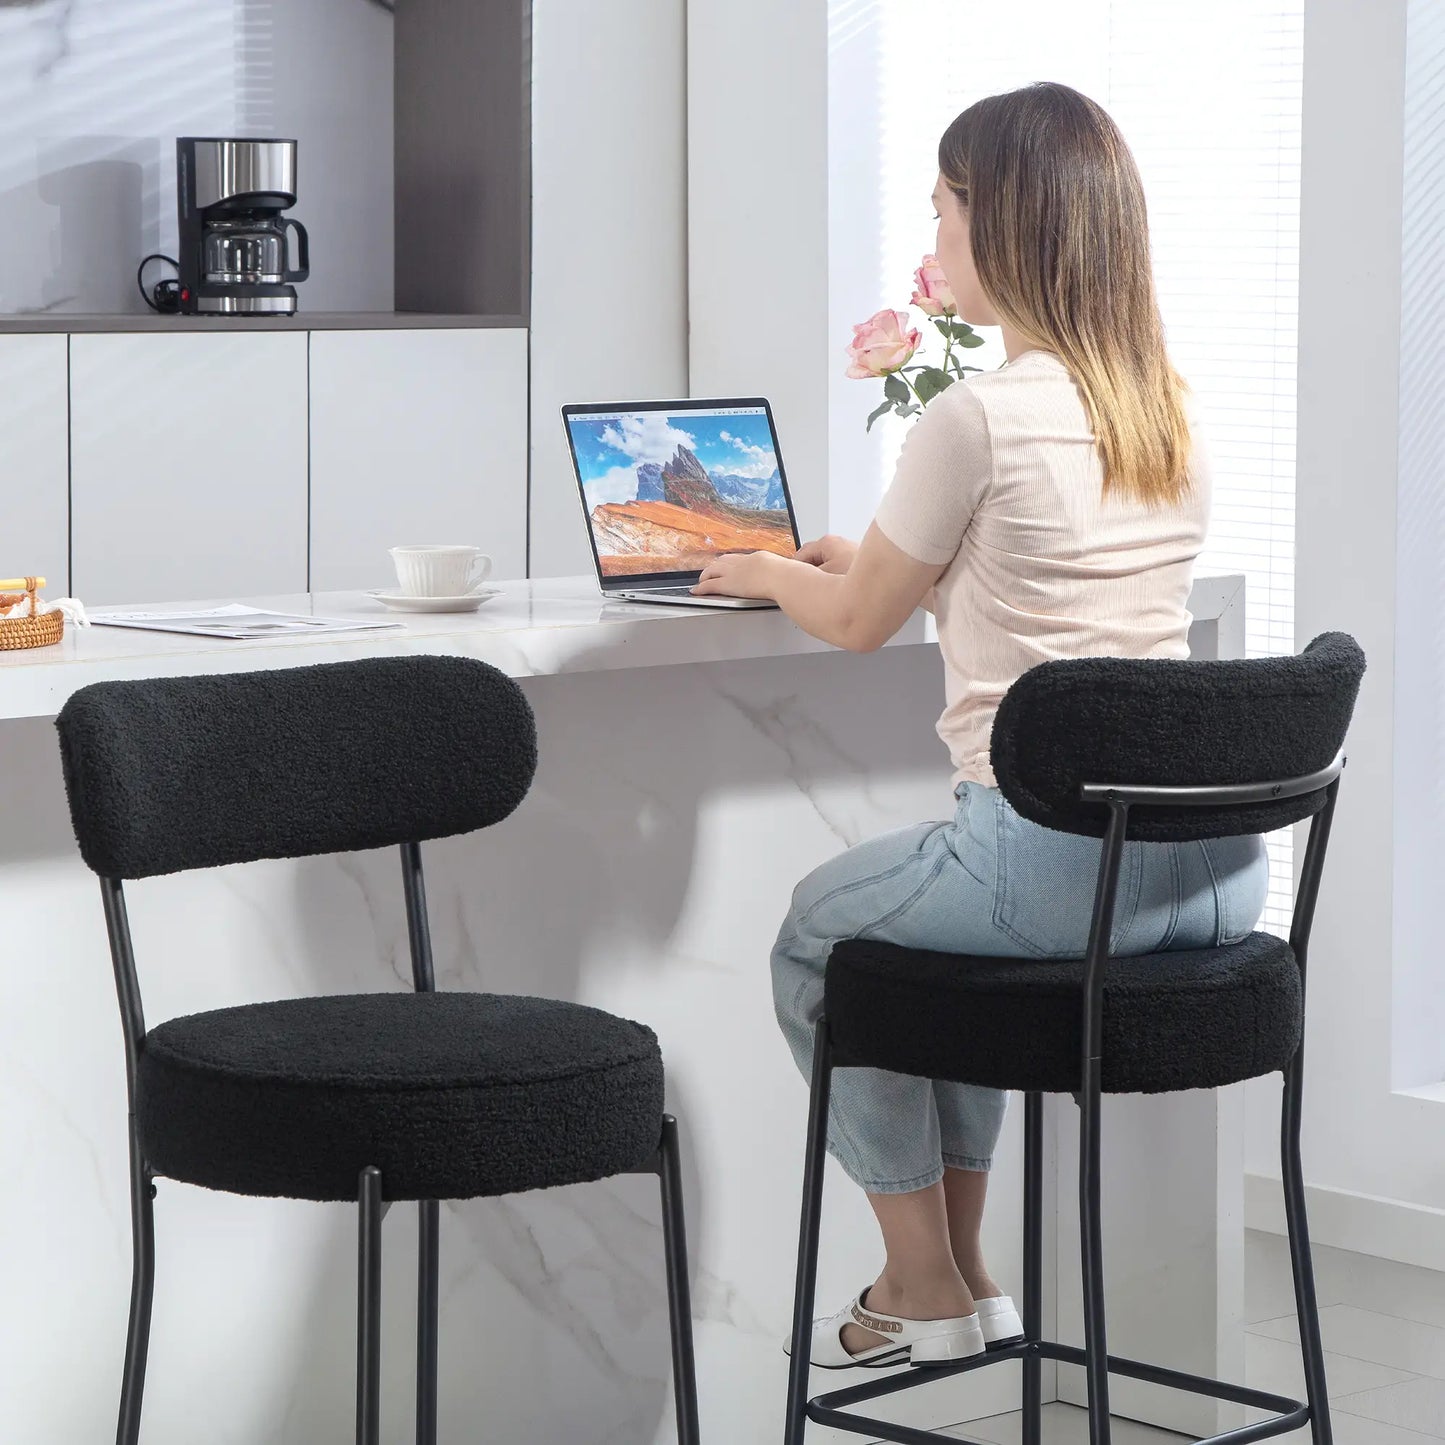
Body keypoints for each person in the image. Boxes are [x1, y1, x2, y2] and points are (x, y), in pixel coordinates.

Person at [693, 81, 1269, 1369]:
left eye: (946, 207)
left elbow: (848, 626)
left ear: (1004, 227)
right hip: (1212, 883)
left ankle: (917, 1272)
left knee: (812, 945)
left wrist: (773, 571)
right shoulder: (1163, 413)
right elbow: (1052, 583)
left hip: (1055, 878)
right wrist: (885, 563)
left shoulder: (976, 417)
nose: (933, 235)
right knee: (930, 970)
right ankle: (967, 1280)